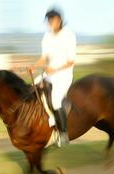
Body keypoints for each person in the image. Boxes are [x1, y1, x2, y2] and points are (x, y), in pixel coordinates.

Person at [29, 8, 76, 146]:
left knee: (55, 100)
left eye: (53, 20)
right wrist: (34, 66)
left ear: (59, 20)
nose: (51, 23)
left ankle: (63, 134)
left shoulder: (68, 34)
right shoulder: (47, 36)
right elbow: (44, 58)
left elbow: (70, 61)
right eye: (49, 21)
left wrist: (54, 69)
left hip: (64, 74)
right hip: (49, 73)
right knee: (32, 90)